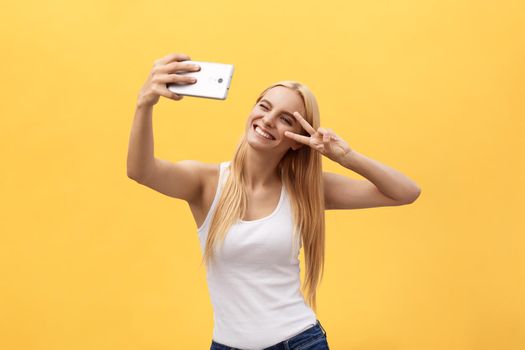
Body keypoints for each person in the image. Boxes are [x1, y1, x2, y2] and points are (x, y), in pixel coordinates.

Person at [127, 52, 421, 350]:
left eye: (284, 119)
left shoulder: (306, 189)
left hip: (300, 342)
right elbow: (141, 171)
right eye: (264, 107)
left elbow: (406, 192)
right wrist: (144, 103)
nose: (267, 120)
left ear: (296, 139)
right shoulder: (206, 183)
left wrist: (345, 156)